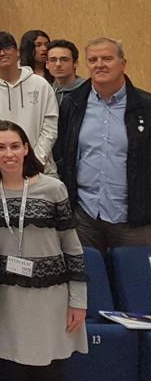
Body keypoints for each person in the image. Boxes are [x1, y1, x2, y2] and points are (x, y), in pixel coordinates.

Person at [0, 121, 87, 381]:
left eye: (15, 146)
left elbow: (73, 246)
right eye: (1, 147)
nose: (9, 153)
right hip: (6, 299)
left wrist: (78, 299)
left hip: (51, 299)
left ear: (26, 149)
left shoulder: (53, 188)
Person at [54, 36, 151, 250]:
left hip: (133, 219)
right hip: (85, 217)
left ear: (123, 63)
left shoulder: (146, 107)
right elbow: (62, 154)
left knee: (135, 281)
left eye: (107, 58)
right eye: (93, 60)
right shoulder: (73, 105)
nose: (99, 65)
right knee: (90, 280)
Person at [0, 31, 58, 174]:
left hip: (42, 169)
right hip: (3, 171)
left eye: (7, 48)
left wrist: (35, 159)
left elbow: (50, 125)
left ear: (17, 52)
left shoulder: (40, 84)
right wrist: (9, 161)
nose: (2, 53)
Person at [45, 39, 84, 105]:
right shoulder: (46, 91)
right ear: (47, 65)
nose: (58, 64)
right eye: (53, 60)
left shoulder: (88, 90)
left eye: (64, 59)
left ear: (75, 63)